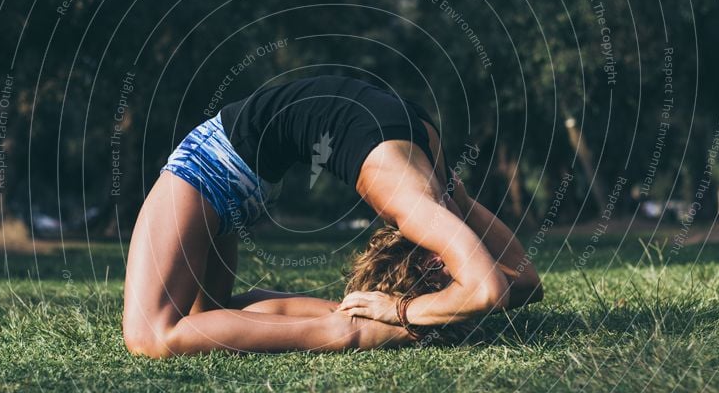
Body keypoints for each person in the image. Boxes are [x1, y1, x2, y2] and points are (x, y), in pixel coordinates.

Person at [122, 75, 542, 357]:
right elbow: (520, 283)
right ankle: (352, 321)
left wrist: (399, 312)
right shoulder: (430, 201)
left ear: (434, 258)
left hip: (213, 168)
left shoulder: (417, 196)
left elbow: (492, 290)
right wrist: (416, 309)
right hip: (239, 175)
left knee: (151, 335)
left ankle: (354, 328)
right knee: (202, 319)